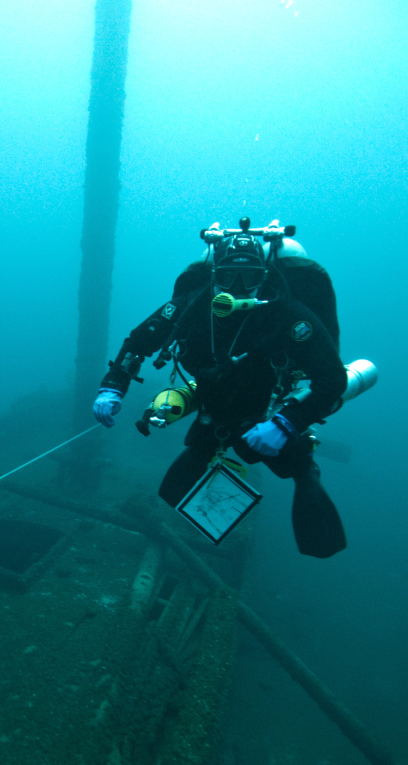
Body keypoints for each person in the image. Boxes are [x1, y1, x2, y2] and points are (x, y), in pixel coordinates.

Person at [93, 218, 348, 558]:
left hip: (270, 411)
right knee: (173, 492)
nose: (239, 287)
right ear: (215, 276)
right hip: (214, 410)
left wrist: (285, 423)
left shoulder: (288, 316)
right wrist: (112, 387)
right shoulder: (190, 307)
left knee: (294, 467)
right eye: (228, 276)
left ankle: (305, 470)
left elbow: (332, 378)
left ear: (264, 278)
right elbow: (139, 342)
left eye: (251, 278)